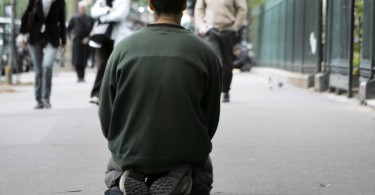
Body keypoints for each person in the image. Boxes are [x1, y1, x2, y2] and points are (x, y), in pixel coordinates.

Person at [98, 0, 222, 194]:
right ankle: (186, 180)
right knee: (203, 169)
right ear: (183, 6)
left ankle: (122, 179)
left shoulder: (122, 49)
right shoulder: (205, 52)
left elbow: (106, 115)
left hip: (132, 151)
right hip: (186, 152)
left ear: (151, 5)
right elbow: (211, 117)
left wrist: (123, 143)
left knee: (113, 166)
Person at [195, 0, 248, 102]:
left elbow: (242, 8)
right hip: (211, 31)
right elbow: (199, 8)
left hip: (229, 30)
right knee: (214, 60)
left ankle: (226, 90)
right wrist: (202, 26)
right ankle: (212, 92)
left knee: (227, 65)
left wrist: (236, 26)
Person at [18, 0, 66, 109]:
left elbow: (62, 21)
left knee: (47, 66)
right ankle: (38, 100)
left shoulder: (60, 1)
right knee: (38, 70)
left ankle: (46, 99)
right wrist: (21, 33)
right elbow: (26, 15)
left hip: (52, 37)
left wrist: (64, 42)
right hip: (35, 37)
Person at [88, 0, 132, 104]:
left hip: (117, 39)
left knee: (117, 66)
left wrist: (103, 17)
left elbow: (120, 15)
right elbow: (93, 12)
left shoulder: (124, 1)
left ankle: (117, 94)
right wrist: (107, 10)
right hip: (101, 38)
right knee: (102, 65)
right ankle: (96, 93)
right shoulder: (101, 1)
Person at [67, 1, 95, 82]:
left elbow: (94, 29)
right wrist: (71, 36)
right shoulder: (74, 18)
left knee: (84, 59)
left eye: (84, 8)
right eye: (81, 8)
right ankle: (79, 76)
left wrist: (88, 38)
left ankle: (82, 76)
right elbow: (69, 29)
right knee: (77, 60)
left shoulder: (90, 18)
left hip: (86, 42)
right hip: (77, 42)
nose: (82, 9)